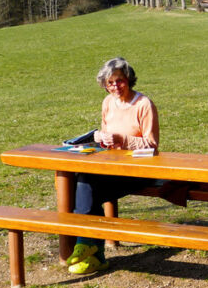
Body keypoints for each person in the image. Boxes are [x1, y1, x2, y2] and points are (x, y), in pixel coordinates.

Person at [67, 57, 159, 275]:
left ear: (128, 79)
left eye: (119, 81)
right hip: (110, 168)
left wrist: (122, 139)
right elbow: (105, 138)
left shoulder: (144, 104)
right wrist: (100, 137)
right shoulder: (107, 103)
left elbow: (153, 146)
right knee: (83, 183)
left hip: (138, 171)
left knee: (86, 190)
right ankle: (93, 253)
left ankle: (88, 246)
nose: (115, 87)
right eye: (110, 83)